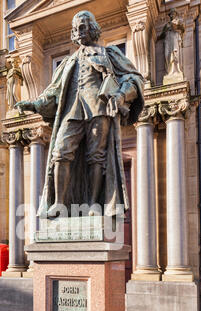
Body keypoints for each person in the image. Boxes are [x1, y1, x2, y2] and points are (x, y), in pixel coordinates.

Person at [16, 10, 144, 218]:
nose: (79, 31)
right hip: (72, 110)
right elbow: (53, 92)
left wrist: (121, 95)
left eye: (83, 26)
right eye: (76, 28)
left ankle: (94, 204)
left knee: (96, 156)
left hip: (98, 108)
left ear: (92, 28)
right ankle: (58, 204)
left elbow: (132, 78)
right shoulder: (68, 62)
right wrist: (33, 105)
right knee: (60, 152)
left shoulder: (109, 53)